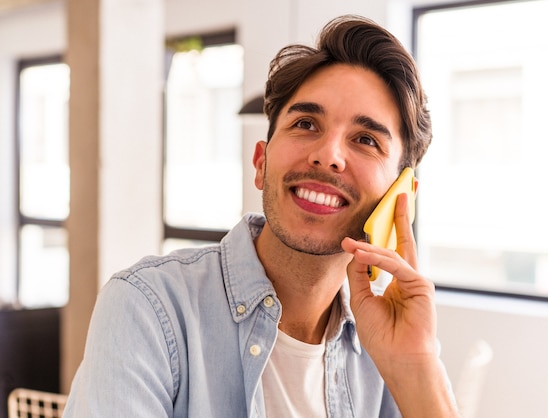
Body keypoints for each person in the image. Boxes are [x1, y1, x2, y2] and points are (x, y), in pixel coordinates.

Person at [64, 14, 459, 418]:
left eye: (365, 139)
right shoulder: (148, 307)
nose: (328, 155)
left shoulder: (388, 344)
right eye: (306, 123)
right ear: (261, 163)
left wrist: (416, 367)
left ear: (401, 198)